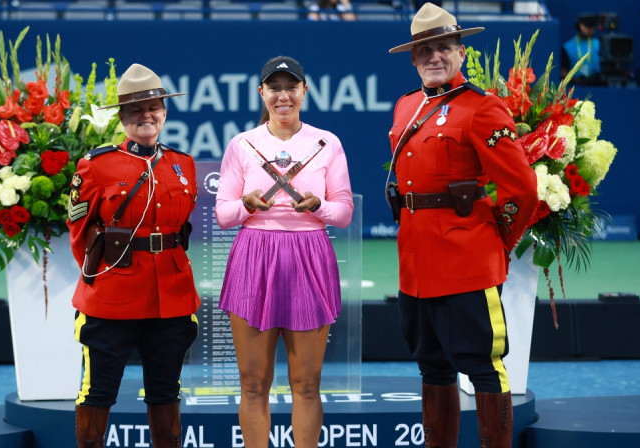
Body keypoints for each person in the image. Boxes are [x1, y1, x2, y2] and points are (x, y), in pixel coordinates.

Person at [387, 3, 538, 448]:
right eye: (425, 50)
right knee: (432, 367)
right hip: (415, 265)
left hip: (466, 264)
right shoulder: (406, 107)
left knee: (484, 367)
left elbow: (522, 191)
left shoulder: (482, 109)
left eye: (444, 48)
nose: (434, 57)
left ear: (461, 53)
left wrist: (496, 243)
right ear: (413, 59)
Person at [214, 56, 353, 448]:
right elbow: (224, 214)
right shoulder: (242, 144)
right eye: (274, 88)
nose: (283, 96)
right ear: (262, 93)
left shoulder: (327, 142)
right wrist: (247, 205)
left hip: (309, 256)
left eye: (291, 87)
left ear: (304, 92)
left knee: (306, 385)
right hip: (253, 254)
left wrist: (319, 207)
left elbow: (343, 211)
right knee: (253, 383)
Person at [67, 63, 201, 448]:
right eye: (137, 110)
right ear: (122, 117)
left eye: (155, 107)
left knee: (166, 392)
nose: (147, 115)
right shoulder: (97, 165)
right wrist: (104, 270)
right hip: (112, 297)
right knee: (97, 393)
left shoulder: (184, 164)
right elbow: (80, 232)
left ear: (164, 112)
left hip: (171, 298)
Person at [560, 14, 604, 85]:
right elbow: (563, 71)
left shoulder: (600, 44)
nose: (591, 29)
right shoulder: (568, 47)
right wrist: (576, 80)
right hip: (576, 85)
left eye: (593, 26)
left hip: (598, 84)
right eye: (587, 26)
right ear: (579, 26)